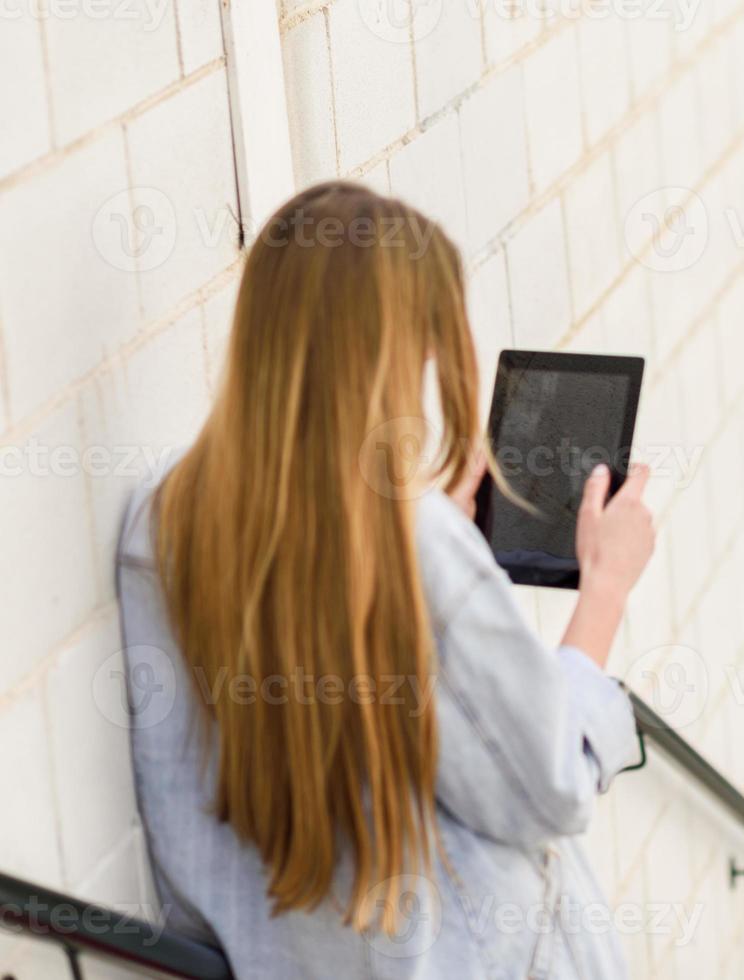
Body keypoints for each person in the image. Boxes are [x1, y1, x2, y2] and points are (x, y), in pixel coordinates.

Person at [115, 182, 655, 978]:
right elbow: (549, 790)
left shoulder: (161, 519)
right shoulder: (415, 546)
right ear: (399, 349)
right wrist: (605, 588)